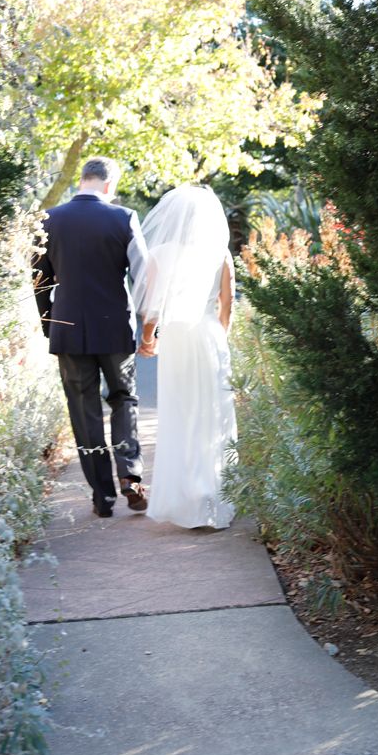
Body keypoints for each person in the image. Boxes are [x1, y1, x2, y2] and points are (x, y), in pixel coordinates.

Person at [33, 156, 149, 517]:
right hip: (114, 327)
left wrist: (49, 324)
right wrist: (148, 327)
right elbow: (142, 276)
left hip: (68, 330)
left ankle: (102, 497)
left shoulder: (48, 219)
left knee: (84, 412)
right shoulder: (123, 217)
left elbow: (39, 280)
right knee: (123, 398)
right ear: (109, 185)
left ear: (82, 180)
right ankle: (129, 474)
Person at [134, 184, 236, 529]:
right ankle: (213, 496)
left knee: (179, 414)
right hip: (208, 337)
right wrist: (219, 337)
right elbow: (227, 304)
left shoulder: (160, 254)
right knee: (211, 414)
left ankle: (181, 499)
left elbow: (151, 309)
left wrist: (149, 340)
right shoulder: (219, 253)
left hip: (176, 336)